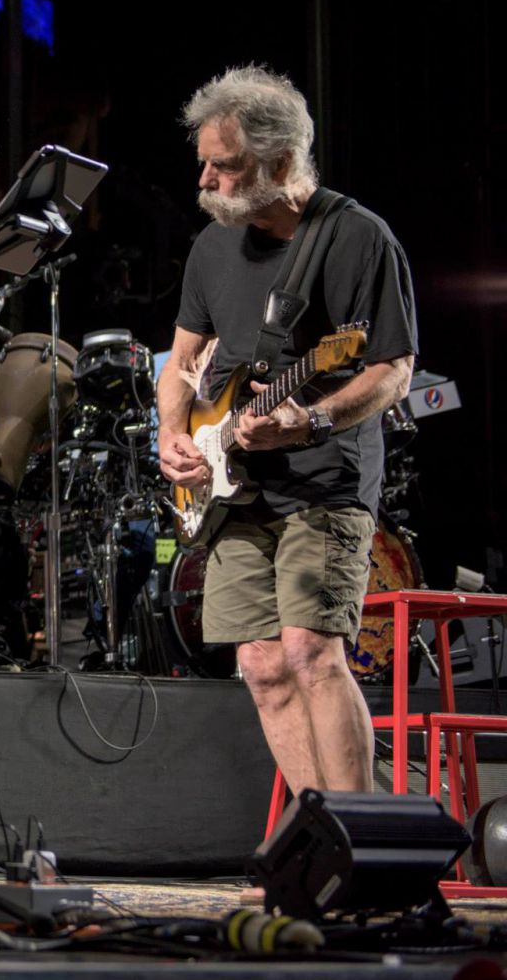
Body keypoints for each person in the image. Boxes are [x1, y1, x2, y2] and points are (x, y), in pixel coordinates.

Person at [157, 65, 417, 797]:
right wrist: (173, 432)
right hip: (232, 489)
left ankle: (361, 836)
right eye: (203, 161)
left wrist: (316, 415)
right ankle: (318, 835)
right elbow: (178, 363)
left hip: (324, 481)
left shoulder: (358, 238)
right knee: (262, 666)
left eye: (225, 165)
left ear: (279, 162)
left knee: (310, 652)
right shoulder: (213, 246)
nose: (205, 179)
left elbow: (392, 367)